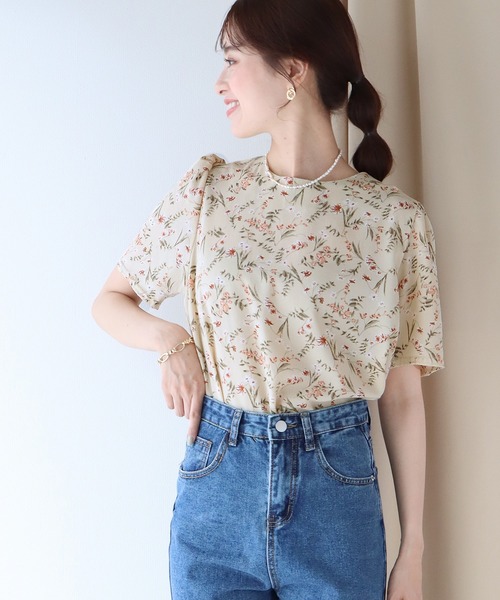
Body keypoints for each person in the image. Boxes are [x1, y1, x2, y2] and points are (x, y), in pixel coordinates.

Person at [92, 0, 443, 598]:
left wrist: (412, 550)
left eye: (233, 60)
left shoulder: (394, 222)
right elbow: (110, 300)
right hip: (217, 493)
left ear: (293, 70)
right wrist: (169, 340)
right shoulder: (209, 192)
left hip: (337, 499)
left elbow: (404, 397)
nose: (219, 81)